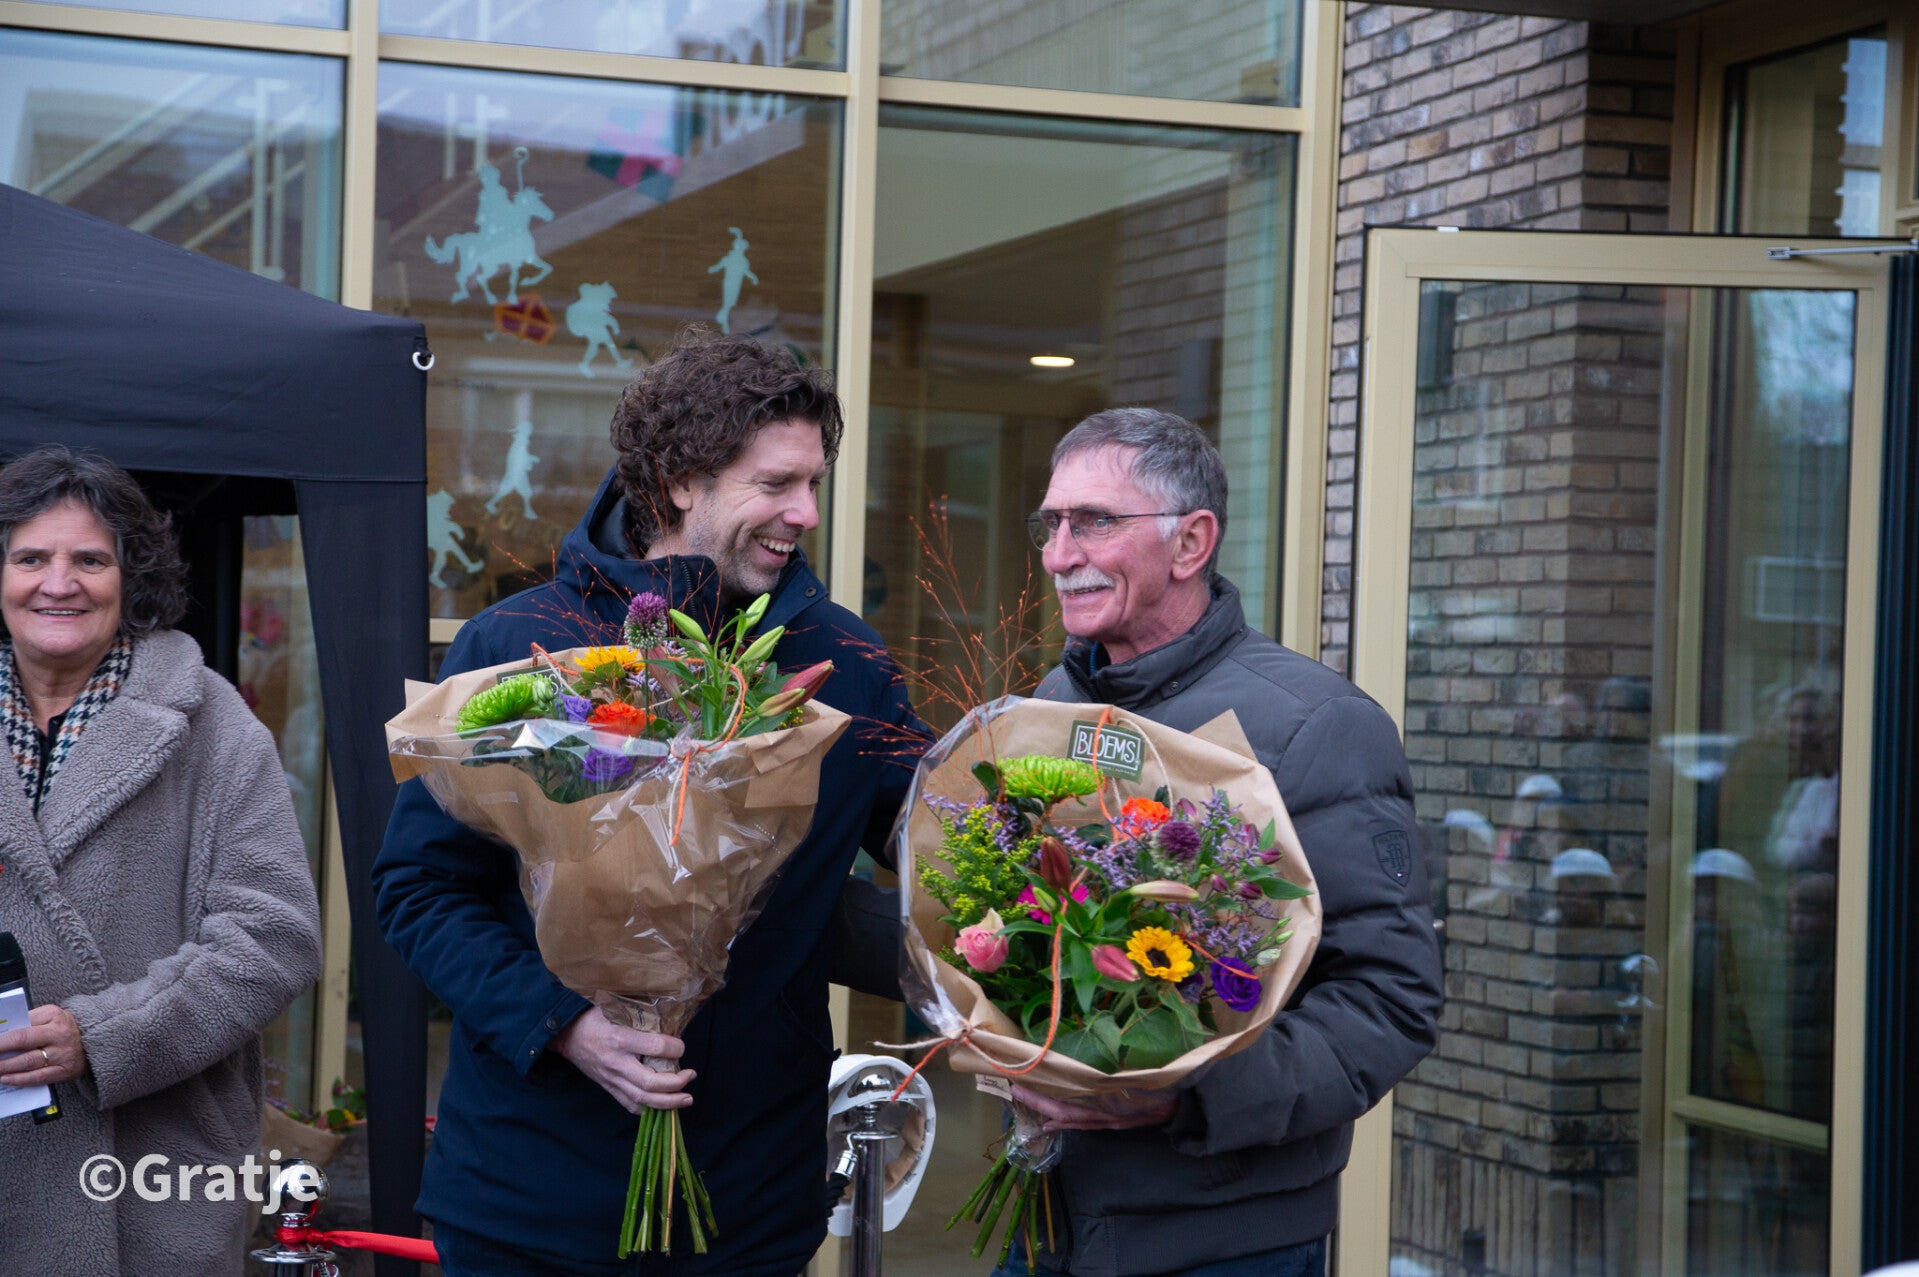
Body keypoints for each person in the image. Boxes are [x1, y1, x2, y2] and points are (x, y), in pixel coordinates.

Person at [374, 333, 926, 1275]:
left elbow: (928, 848)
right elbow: (419, 889)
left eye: (813, 484)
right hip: (528, 1195)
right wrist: (562, 1025)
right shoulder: (519, 643)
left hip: (747, 1207)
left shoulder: (850, 662)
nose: (805, 513)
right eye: (776, 484)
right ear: (677, 480)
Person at [1007, 408, 1443, 1277]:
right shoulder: (1046, 709)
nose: (1058, 555)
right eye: (1050, 524)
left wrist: (1183, 1096)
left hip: (1224, 1240)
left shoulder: (1317, 726)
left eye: (1093, 521)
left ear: (1190, 541)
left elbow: (1389, 998)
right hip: (1051, 1220)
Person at [0, 447, 323, 1272]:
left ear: (129, 576)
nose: (58, 582)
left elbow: (274, 935)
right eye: (31, 556)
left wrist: (103, 1036)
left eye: (90, 559)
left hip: (146, 1179)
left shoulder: (212, 726)